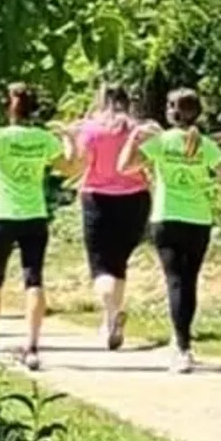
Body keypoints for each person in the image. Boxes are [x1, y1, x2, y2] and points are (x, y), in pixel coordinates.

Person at [122, 89, 221, 371]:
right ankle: (183, 343)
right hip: (198, 219)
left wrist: (134, 138)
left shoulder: (160, 142)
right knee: (189, 281)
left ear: (170, 112)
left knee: (175, 281)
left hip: (166, 217)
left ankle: (181, 347)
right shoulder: (206, 145)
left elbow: (124, 166)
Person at [0, 85, 74, 370]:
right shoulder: (44, 139)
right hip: (34, 216)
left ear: (7, 108)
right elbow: (69, 169)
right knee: (34, 279)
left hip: (1, 216)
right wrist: (68, 139)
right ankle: (32, 345)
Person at [70, 82, 157, 351]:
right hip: (135, 198)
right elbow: (150, 161)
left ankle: (110, 317)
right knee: (119, 261)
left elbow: (82, 162)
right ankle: (111, 317)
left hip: (97, 198)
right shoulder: (139, 130)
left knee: (101, 265)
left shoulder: (91, 129)